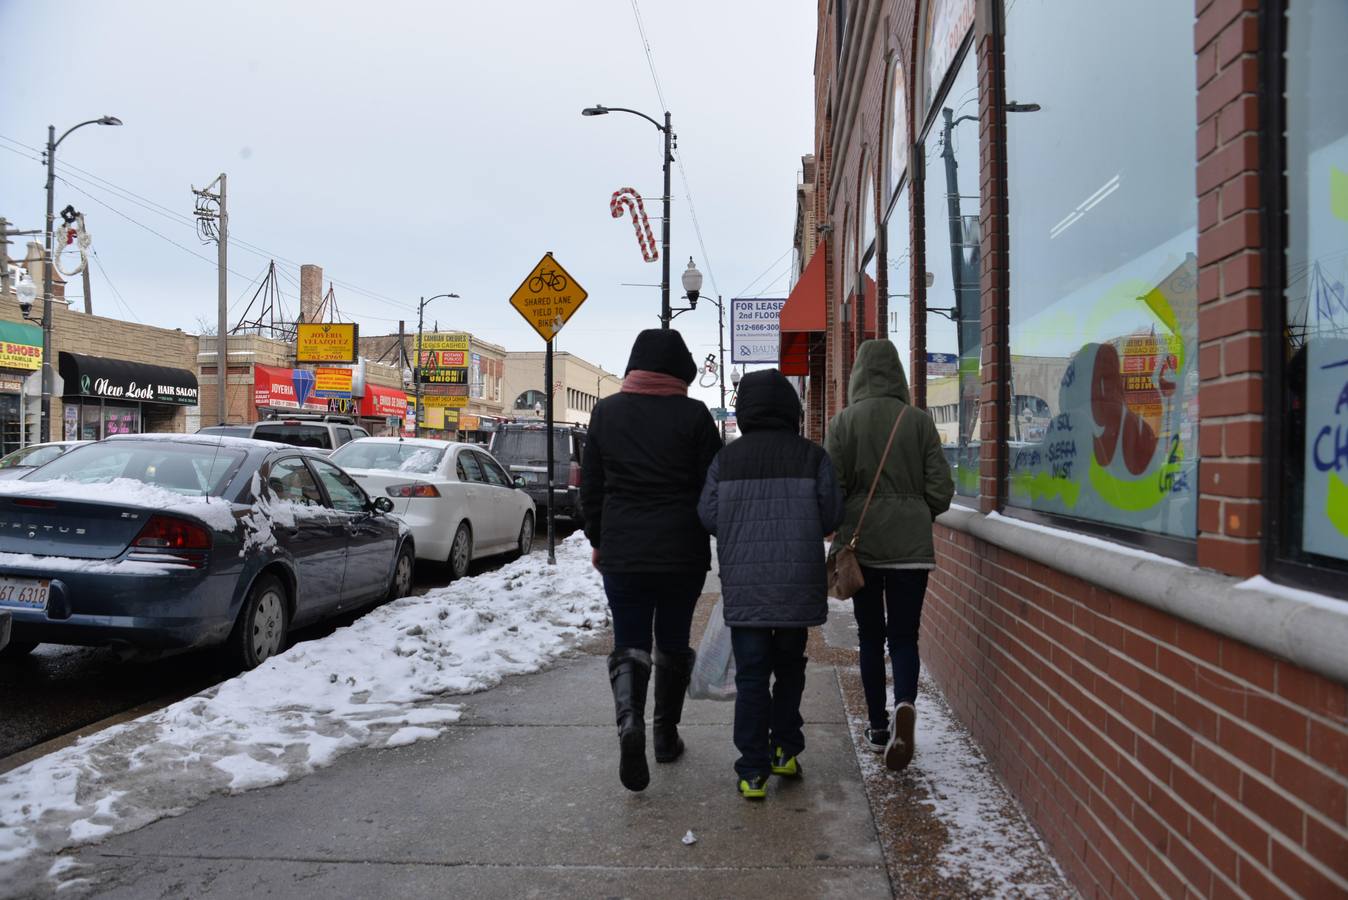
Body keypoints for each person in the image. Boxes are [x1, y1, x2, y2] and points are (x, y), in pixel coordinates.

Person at [581, 328, 722, 792]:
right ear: (680, 370)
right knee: (673, 642)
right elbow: (712, 486)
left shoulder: (606, 412)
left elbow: (592, 489)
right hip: (681, 552)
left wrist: (599, 539)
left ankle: (629, 727)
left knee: (630, 643)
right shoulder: (697, 417)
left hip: (623, 550)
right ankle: (665, 736)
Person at [698, 369, 844, 799]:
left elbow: (707, 515)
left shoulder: (726, 460)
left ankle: (752, 770)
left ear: (744, 411)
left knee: (752, 676)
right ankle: (785, 750)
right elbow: (832, 514)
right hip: (796, 581)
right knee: (791, 668)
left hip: (746, 584)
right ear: (791, 410)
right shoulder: (812, 456)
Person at [825, 340, 954, 771]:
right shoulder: (917, 422)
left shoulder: (842, 424)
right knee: (904, 635)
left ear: (858, 374)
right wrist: (917, 514)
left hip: (862, 551)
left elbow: (833, 491)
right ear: (898, 374)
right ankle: (905, 703)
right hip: (911, 551)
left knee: (868, 636)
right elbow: (941, 489)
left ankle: (879, 726)